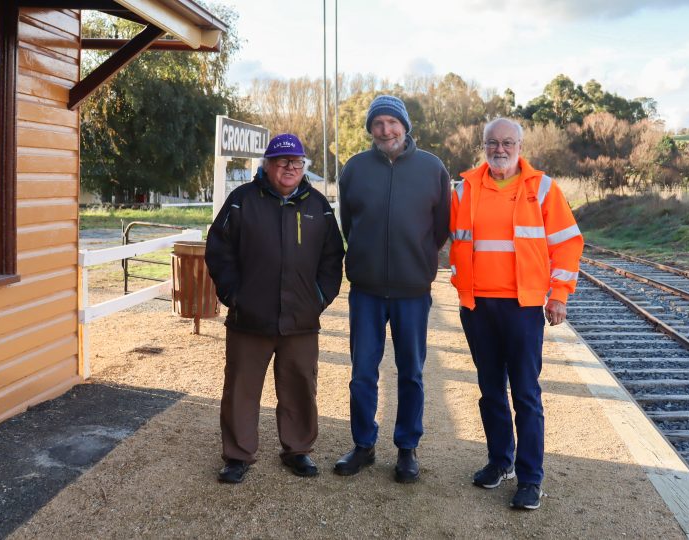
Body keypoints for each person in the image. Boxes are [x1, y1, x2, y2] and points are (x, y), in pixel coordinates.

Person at [449, 118, 583, 509]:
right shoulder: (464, 189)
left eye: (508, 142)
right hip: (476, 306)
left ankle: (530, 478)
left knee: (525, 393)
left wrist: (558, 295)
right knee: (490, 391)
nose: (500, 149)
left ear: (521, 145)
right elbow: (448, 240)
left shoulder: (541, 189)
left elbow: (568, 243)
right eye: (493, 142)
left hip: (523, 307)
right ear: (484, 145)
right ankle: (499, 462)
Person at [205, 133, 344, 483]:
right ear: (267, 165)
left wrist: (318, 298)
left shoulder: (317, 205)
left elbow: (332, 257)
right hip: (249, 318)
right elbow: (218, 251)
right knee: (241, 388)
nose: (290, 169)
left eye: (296, 163)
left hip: (300, 319)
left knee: (300, 385)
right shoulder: (241, 201)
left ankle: (297, 451)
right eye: (282, 162)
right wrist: (234, 295)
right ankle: (237, 454)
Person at [334, 95, 450, 483]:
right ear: (370, 129)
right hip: (366, 291)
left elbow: (441, 228)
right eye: (378, 123)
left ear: (405, 125)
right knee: (362, 372)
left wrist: (415, 259)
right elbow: (348, 224)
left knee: (411, 373)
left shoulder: (432, 168)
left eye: (392, 122)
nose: (385, 130)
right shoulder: (355, 169)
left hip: (412, 291)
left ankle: (407, 448)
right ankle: (363, 445)